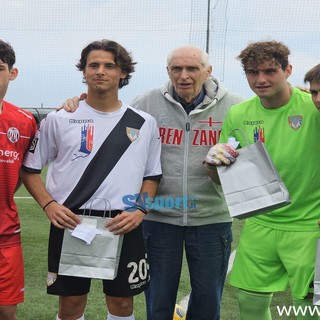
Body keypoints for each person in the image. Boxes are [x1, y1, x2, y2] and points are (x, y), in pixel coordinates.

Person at [62, 45, 244, 320]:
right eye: (176, 69)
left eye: (192, 69)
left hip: (211, 218)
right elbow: (107, 118)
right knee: (158, 301)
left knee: (208, 302)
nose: (183, 75)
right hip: (158, 220)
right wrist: (77, 104)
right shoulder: (146, 102)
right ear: (167, 71)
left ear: (208, 71)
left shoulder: (234, 106)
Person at [21, 39, 162, 320]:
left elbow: (152, 175)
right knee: (71, 303)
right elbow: (30, 169)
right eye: (93, 65)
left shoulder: (144, 122)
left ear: (123, 73)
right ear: (83, 72)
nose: (100, 71)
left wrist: (140, 209)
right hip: (72, 222)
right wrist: (49, 205)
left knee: (122, 304)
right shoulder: (60, 119)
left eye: (110, 65)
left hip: (122, 222)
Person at [205, 40, 320, 320]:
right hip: (260, 224)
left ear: (288, 70)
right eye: (253, 72)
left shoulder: (313, 106)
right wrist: (213, 163)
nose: (261, 80)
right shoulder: (239, 114)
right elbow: (223, 178)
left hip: (309, 227)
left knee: (308, 310)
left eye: (270, 71)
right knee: (250, 304)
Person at [0, 40, 37, 320]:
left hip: (5, 234)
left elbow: (27, 172)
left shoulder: (24, 122)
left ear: (12, 73)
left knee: (6, 310)